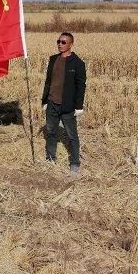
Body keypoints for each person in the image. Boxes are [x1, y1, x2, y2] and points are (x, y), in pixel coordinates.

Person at [40, 32, 87, 176]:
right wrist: (45, 100)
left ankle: (75, 163)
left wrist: (78, 107)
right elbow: (48, 81)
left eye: (63, 42)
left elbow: (81, 86)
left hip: (68, 106)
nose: (60, 44)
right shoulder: (53, 59)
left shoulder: (78, 63)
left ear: (71, 44)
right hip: (52, 103)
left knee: (72, 136)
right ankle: (51, 158)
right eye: (58, 41)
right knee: (51, 132)